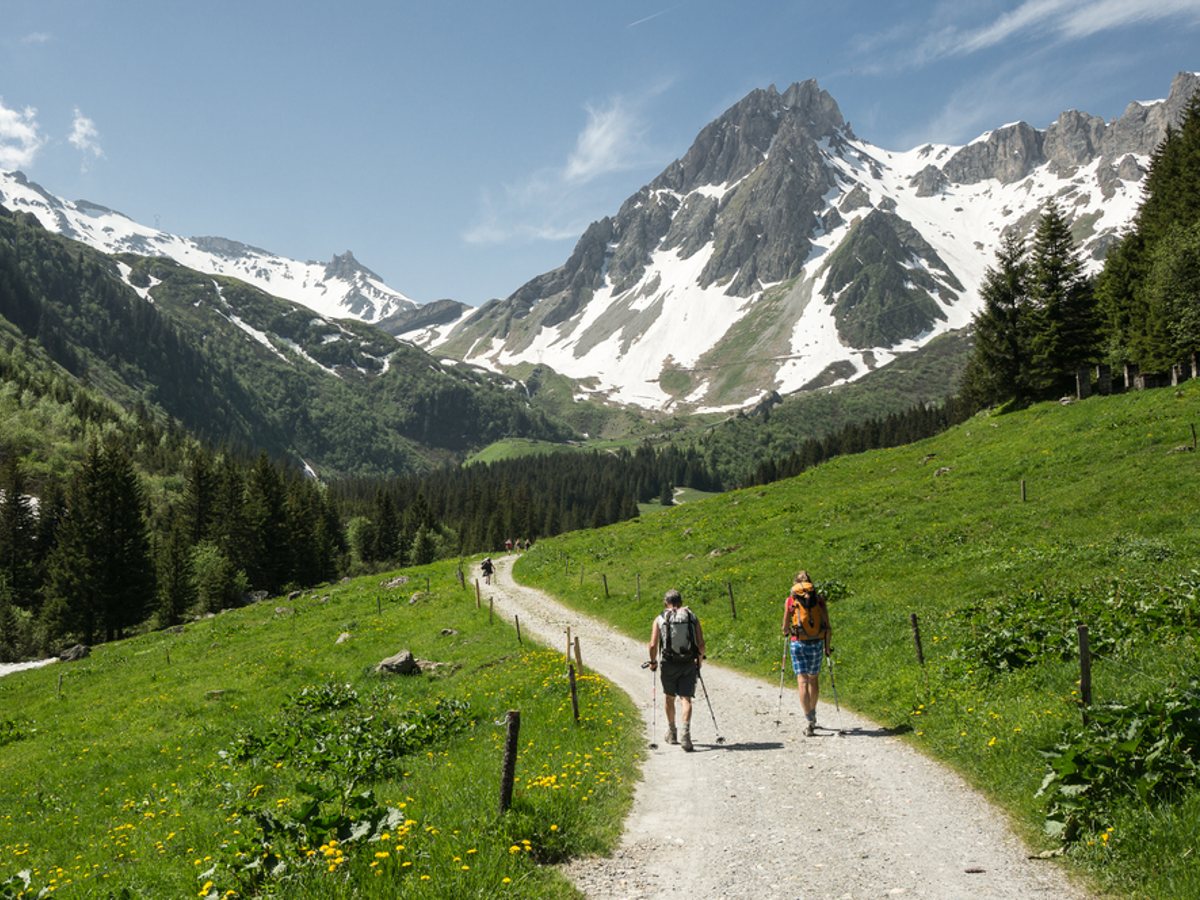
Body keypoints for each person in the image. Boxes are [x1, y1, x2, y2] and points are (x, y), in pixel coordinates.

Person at [648, 589, 706, 751]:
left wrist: (653, 662)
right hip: (688, 662)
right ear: (680, 601)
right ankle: (686, 735)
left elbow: (653, 645)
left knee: (669, 697)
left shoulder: (660, 618)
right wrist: (698, 663)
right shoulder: (691, 617)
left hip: (669, 663)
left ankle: (672, 733)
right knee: (686, 699)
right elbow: (701, 645)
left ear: (665, 602)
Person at [781, 570, 832, 736]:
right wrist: (827, 646)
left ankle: (808, 719)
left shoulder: (791, 600)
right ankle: (814, 713)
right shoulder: (819, 600)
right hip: (816, 642)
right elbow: (827, 626)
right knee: (813, 679)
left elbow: (785, 628)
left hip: (798, 643)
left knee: (802, 681)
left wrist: (786, 631)